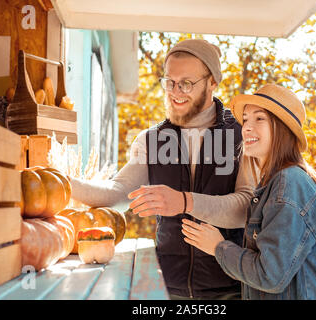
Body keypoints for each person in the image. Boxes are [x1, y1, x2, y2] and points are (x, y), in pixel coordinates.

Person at [69, 39, 254, 299]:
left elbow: (246, 208)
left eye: (187, 83)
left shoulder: (242, 136)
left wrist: (184, 202)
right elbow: (117, 193)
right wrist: (64, 183)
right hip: (168, 288)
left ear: (212, 82)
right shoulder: (151, 139)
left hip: (231, 289)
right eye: (169, 81)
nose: (175, 91)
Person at [181, 84, 316, 299]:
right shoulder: (276, 183)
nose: (246, 127)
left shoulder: (289, 184)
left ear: (282, 128)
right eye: (245, 119)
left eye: (259, 119)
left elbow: (270, 275)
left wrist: (218, 246)